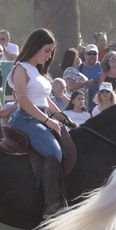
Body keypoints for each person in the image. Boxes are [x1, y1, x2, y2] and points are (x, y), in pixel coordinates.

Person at [9, 29, 69, 213]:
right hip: (26, 120)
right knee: (54, 151)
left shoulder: (37, 71)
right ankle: (51, 205)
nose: (49, 55)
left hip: (42, 117)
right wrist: (48, 121)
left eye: (51, 51)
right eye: (47, 50)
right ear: (35, 47)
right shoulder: (21, 68)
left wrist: (63, 117)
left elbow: (46, 100)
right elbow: (24, 100)